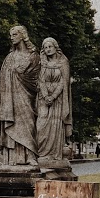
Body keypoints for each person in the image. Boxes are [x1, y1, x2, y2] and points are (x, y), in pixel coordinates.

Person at [0, 26, 39, 165]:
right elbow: (2, 81)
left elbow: (37, 78)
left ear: (22, 36)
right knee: (12, 124)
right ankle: (12, 158)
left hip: (26, 96)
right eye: (11, 35)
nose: (12, 37)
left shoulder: (33, 56)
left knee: (29, 124)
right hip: (10, 98)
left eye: (14, 34)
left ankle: (30, 155)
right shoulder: (9, 58)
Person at [36, 36, 72, 168]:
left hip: (58, 101)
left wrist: (54, 96)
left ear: (55, 47)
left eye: (50, 46)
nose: (48, 49)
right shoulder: (41, 63)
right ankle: (42, 153)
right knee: (41, 125)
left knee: (56, 125)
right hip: (43, 99)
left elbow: (64, 81)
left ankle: (54, 155)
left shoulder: (63, 62)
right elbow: (40, 80)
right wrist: (46, 96)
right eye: (45, 48)